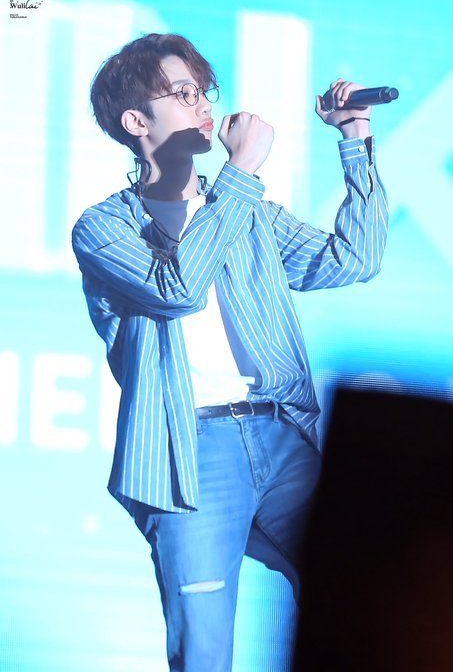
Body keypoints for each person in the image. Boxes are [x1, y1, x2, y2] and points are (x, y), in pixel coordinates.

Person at [72, 33, 388, 672]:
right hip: (188, 452)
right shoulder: (103, 228)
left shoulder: (247, 214)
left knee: (370, 596)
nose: (204, 106)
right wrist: (240, 171)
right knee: (205, 650)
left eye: (204, 91)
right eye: (183, 93)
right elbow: (179, 288)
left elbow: (354, 259)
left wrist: (354, 137)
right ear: (136, 122)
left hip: (279, 431)